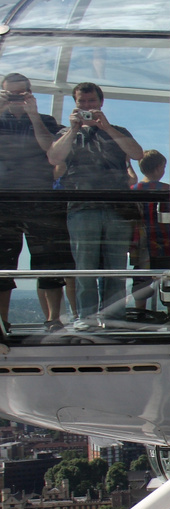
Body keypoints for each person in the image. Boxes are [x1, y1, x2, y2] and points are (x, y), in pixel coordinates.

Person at [47, 82, 143, 326]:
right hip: (82, 207)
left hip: (117, 208)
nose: (87, 107)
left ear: (101, 103)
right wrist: (72, 130)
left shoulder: (117, 130)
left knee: (116, 269)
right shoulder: (67, 133)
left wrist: (107, 128)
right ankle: (87, 319)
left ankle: (114, 318)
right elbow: (54, 158)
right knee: (85, 268)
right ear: (75, 104)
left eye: (91, 102)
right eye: (82, 102)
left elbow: (137, 153)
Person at [0, 73, 71, 333]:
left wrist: (33, 116)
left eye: (22, 94)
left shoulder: (45, 121)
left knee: (49, 259)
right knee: (2, 261)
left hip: (39, 199)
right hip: (4, 199)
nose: (17, 99)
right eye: (11, 94)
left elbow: (52, 154)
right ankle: (2, 321)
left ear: (31, 93)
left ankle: (54, 319)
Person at [132, 150, 170, 314]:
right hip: (165, 243)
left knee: (141, 281)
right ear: (158, 168)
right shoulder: (168, 190)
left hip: (141, 245)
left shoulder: (133, 189)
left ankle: (140, 313)